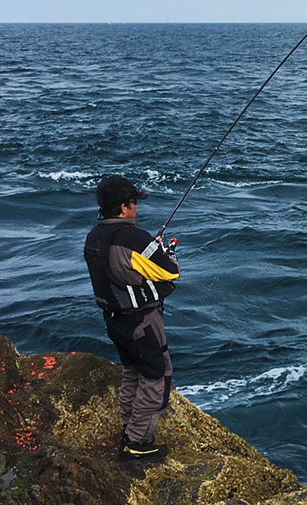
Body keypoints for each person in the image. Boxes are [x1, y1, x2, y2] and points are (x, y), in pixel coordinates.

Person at [83, 176, 179, 460]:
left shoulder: (94, 236)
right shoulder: (135, 238)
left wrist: (149, 250)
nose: (136, 208)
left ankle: (129, 428)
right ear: (123, 207)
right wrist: (164, 252)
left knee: (132, 372)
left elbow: (120, 269)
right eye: (134, 203)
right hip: (142, 322)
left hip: (114, 321)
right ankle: (138, 442)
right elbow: (170, 271)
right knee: (156, 376)